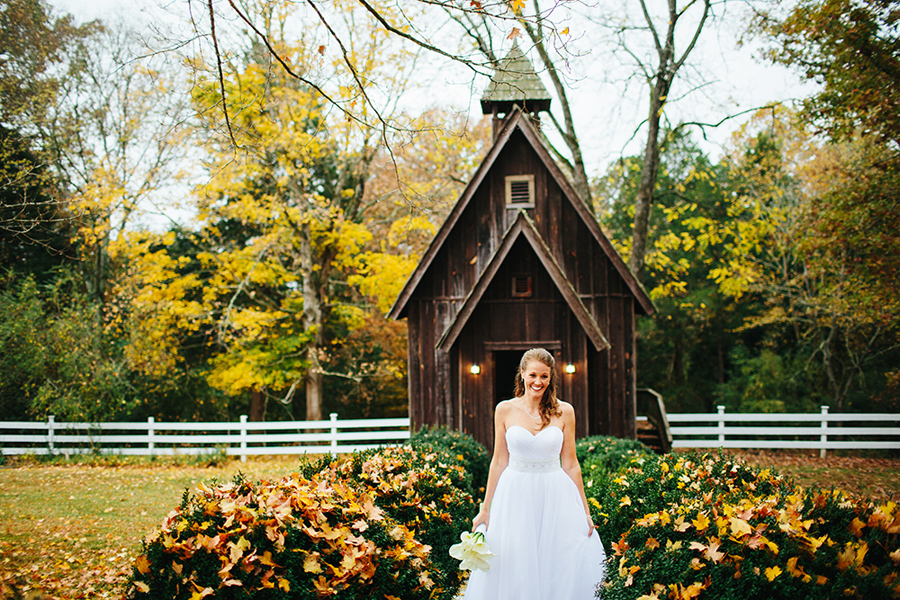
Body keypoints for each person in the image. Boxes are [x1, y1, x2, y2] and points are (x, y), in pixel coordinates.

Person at [462, 348, 607, 599]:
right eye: (532, 375)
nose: (538, 382)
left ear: (551, 378)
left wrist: (585, 510)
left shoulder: (565, 411)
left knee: (558, 555)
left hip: (555, 492)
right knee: (516, 556)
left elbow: (571, 464)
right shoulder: (504, 410)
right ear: (522, 375)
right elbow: (498, 461)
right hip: (515, 492)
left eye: (544, 376)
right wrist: (485, 509)